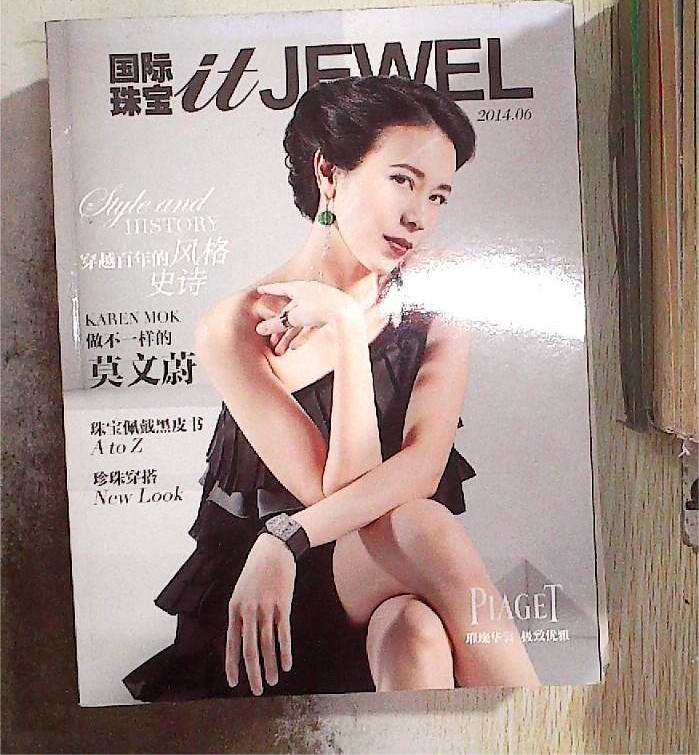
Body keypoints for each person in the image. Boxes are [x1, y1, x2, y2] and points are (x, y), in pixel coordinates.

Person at [123, 75, 539, 701]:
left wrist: (343, 324)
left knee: (417, 633)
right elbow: (338, 493)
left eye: (438, 196)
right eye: (403, 180)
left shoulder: (437, 293)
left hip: (354, 564)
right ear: (329, 171)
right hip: (275, 601)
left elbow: (423, 467)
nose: (419, 216)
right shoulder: (235, 328)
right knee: (421, 526)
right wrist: (348, 327)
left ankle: (525, 734)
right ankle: (547, 727)